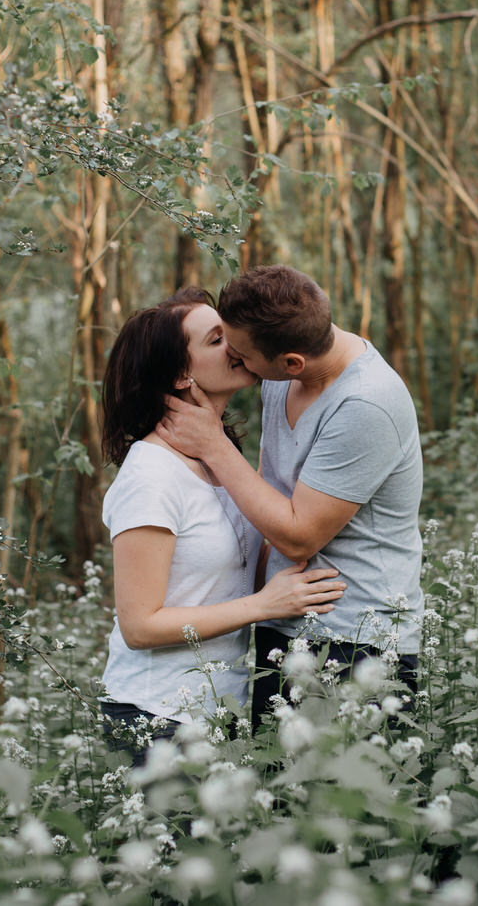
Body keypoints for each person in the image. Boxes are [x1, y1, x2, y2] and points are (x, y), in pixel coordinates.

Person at [158, 266, 424, 729]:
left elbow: (300, 537)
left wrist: (214, 445)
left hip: (357, 641)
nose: (234, 362)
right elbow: (267, 488)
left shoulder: (365, 403)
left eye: (240, 354)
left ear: (292, 363)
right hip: (285, 623)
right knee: (280, 798)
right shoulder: (280, 374)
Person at [96, 287, 347, 761]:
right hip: (156, 717)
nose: (235, 345)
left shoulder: (219, 464)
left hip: (218, 709)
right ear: (179, 373)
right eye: (216, 339)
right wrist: (263, 604)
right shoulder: (151, 475)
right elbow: (139, 627)